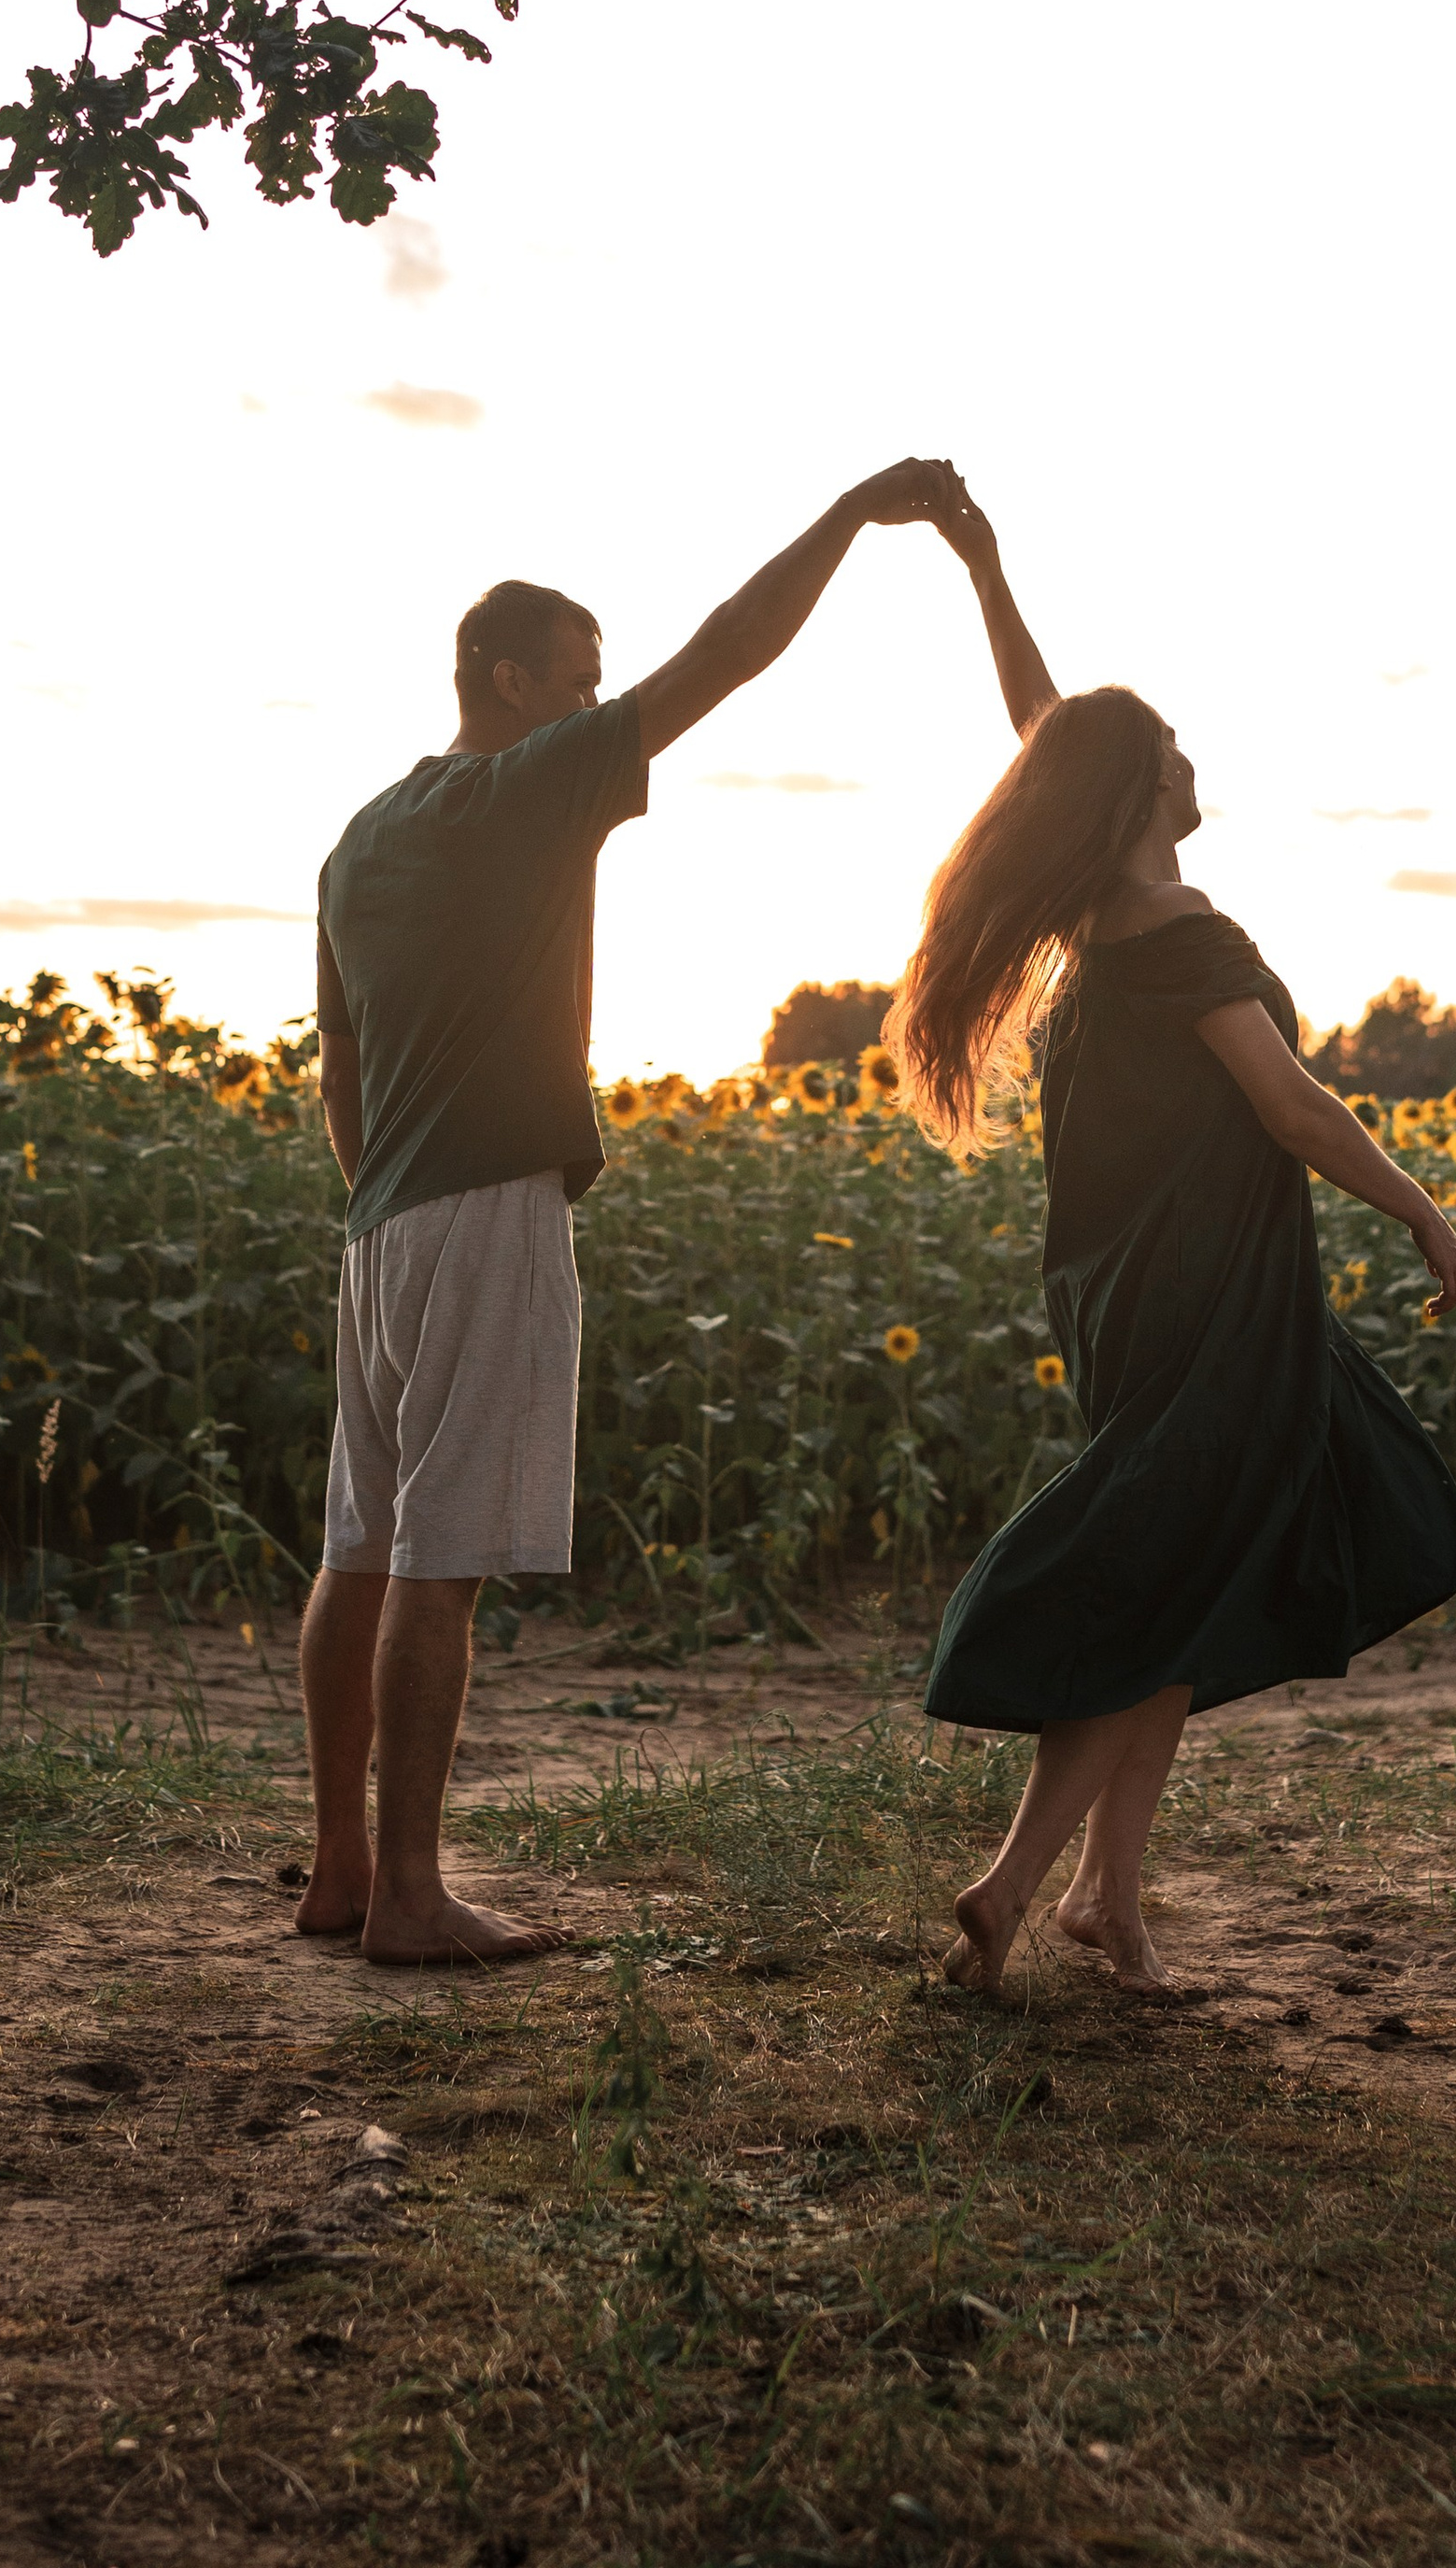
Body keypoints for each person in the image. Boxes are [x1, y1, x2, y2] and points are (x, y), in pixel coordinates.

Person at [304, 461, 961, 1965]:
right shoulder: (523, 787)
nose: (599, 704)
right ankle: (409, 1897)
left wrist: (370, 1199)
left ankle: (340, 1868)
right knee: (436, 1555)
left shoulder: (358, 839)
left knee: (356, 1544)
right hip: (484, 1197)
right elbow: (729, 651)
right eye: (577, 678)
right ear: (507, 676)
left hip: (380, 1221)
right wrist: (853, 517)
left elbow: (337, 1058)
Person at [889, 485, 1456, 1998]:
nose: (1192, 756)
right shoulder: (1193, 943)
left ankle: (1111, 1899)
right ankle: (1016, 1884)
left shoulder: (1101, 915)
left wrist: (988, 572)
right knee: (1168, 1572)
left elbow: (1051, 731)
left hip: (1126, 1297)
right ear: (1149, 791)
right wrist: (1419, 1203)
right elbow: (1293, 1112)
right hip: (1215, 1302)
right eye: (1175, 746)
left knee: (1191, 1569)